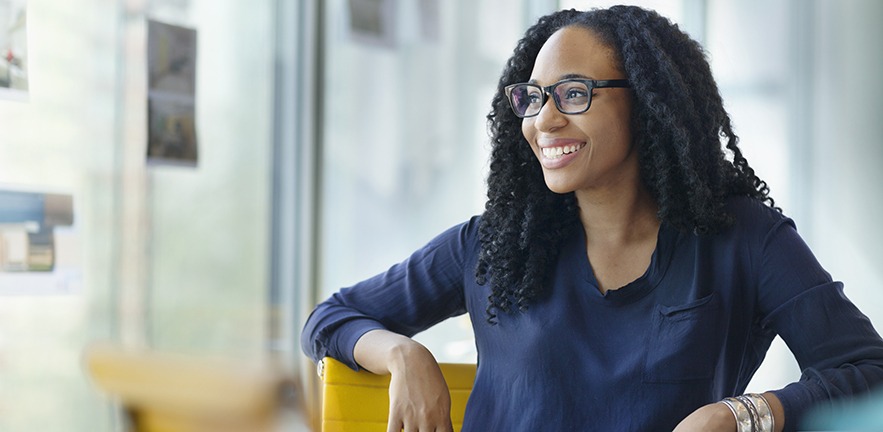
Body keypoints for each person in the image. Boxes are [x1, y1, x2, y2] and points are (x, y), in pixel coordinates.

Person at [301, 6, 883, 431]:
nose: (543, 120)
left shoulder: (743, 239)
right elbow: (331, 317)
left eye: (574, 93)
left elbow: (867, 368)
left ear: (650, 104)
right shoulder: (496, 243)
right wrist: (406, 354)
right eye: (532, 97)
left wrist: (743, 415)